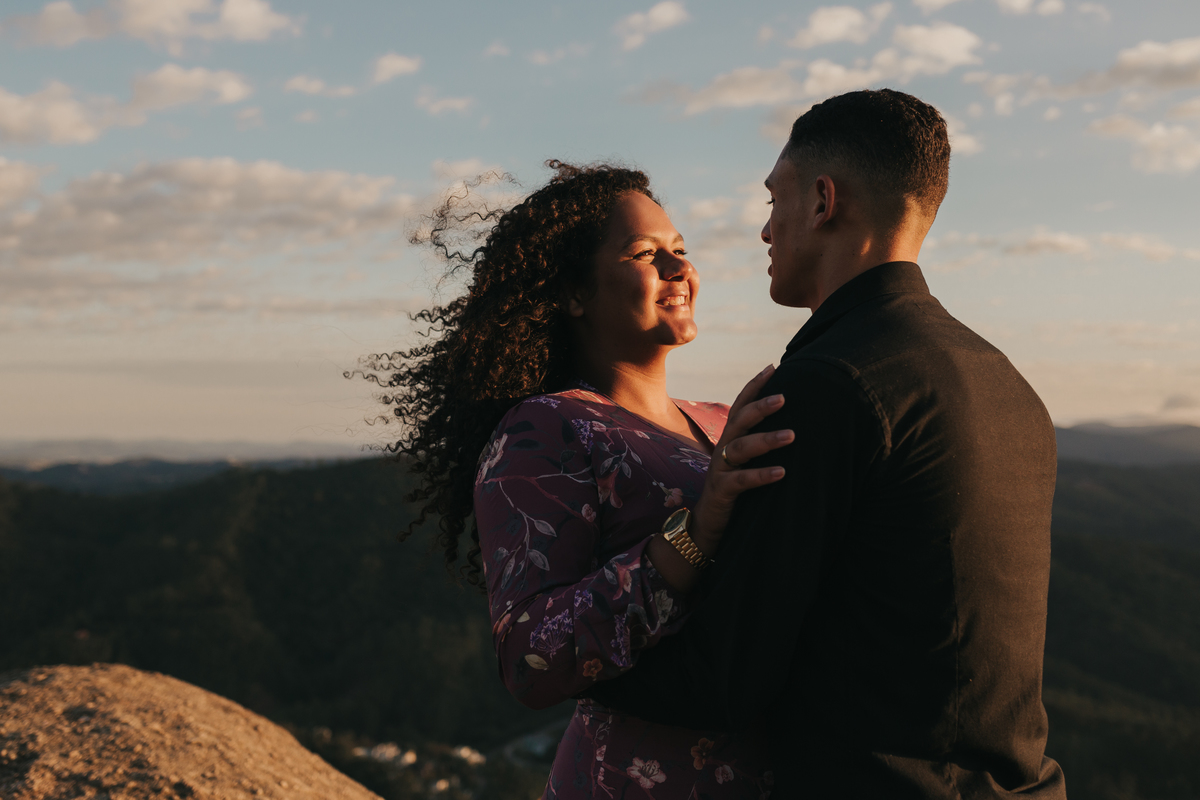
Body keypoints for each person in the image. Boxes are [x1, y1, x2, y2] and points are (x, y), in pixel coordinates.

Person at [589, 89, 1069, 799]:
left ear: (822, 201)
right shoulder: (1003, 381)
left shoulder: (831, 386)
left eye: (770, 202)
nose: (765, 232)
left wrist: (561, 660)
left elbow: (724, 677)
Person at [362, 161, 792, 798]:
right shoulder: (546, 430)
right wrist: (696, 534)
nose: (679, 270)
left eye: (680, 249)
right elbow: (531, 658)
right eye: (645, 253)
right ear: (572, 294)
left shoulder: (719, 420)